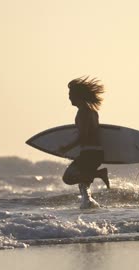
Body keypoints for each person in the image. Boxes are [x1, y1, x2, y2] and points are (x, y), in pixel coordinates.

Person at [58, 76, 109, 209]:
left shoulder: (83, 113)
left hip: (89, 153)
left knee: (68, 178)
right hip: (96, 153)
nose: (69, 98)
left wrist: (66, 147)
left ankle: (100, 173)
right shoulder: (92, 111)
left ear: (77, 96)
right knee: (83, 183)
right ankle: (88, 204)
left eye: (70, 95)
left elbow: (84, 136)